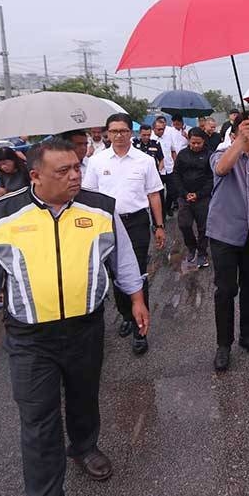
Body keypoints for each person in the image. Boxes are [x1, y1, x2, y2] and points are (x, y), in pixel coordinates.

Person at [0, 138, 150, 496]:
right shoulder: (1, 215)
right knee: (38, 420)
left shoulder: (99, 208)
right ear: (35, 176)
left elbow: (124, 258)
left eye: (77, 168)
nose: (74, 176)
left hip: (86, 327)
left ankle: (84, 447)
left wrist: (136, 298)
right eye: (63, 171)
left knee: (84, 397)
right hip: (31, 337)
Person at [83, 114, 165, 355]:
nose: (118, 135)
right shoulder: (97, 162)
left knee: (138, 273)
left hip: (137, 222)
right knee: (115, 274)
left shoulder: (144, 161)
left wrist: (159, 226)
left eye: (123, 130)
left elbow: (153, 194)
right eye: (113, 131)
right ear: (107, 133)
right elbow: (89, 196)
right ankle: (126, 314)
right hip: (106, 224)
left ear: (131, 132)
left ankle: (141, 329)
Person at [207, 110, 249, 372]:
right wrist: (239, 142)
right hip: (224, 234)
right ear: (239, 133)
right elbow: (221, 168)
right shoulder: (222, 153)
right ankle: (223, 344)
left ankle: (248, 335)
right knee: (225, 290)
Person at [172, 127, 214, 268]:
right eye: (193, 143)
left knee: (203, 227)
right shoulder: (182, 155)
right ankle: (191, 247)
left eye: (198, 143)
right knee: (184, 224)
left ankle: (202, 253)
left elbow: (211, 178)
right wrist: (184, 193)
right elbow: (176, 175)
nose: (195, 146)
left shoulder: (209, 155)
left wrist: (199, 194)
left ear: (204, 141)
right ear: (189, 141)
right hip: (185, 197)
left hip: (203, 197)